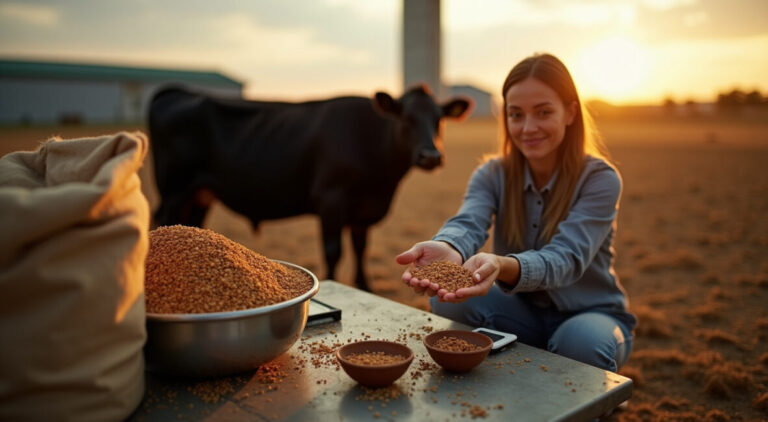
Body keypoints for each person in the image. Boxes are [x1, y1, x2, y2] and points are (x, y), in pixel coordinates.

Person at [396, 53, 636, 372]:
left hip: (589, 314)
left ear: (570, 112)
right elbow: (469, 221)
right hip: (520, 311)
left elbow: (566, 258)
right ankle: (527, 362)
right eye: (516, 114)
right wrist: (449, 247)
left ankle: (573, 374)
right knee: (448, 298)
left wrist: (502, 265)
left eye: (543, 112)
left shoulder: (600, 178)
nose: (528, 128)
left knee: (579, 345)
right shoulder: (492, 173)